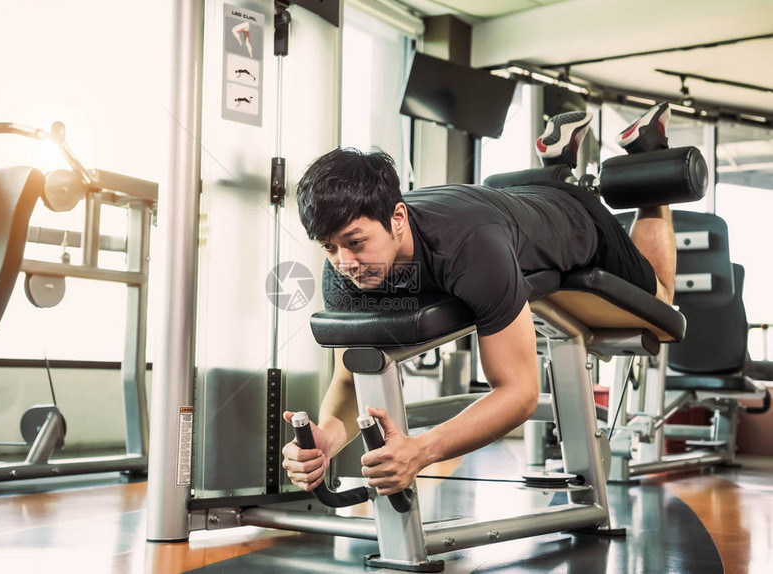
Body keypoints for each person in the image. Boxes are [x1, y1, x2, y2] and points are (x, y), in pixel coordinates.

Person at [281, 103, 676, 497]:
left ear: (397, 218)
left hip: (572, 218)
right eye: (329, 248)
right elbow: (349, 380)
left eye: (355, 243)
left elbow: (518, 392)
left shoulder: (470, 248)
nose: (344, 263)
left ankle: (648, 155)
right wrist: (328, 439)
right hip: (506, 203)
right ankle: (555, 162)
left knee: (660, 299)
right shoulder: (341, 270)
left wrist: (422, 450)